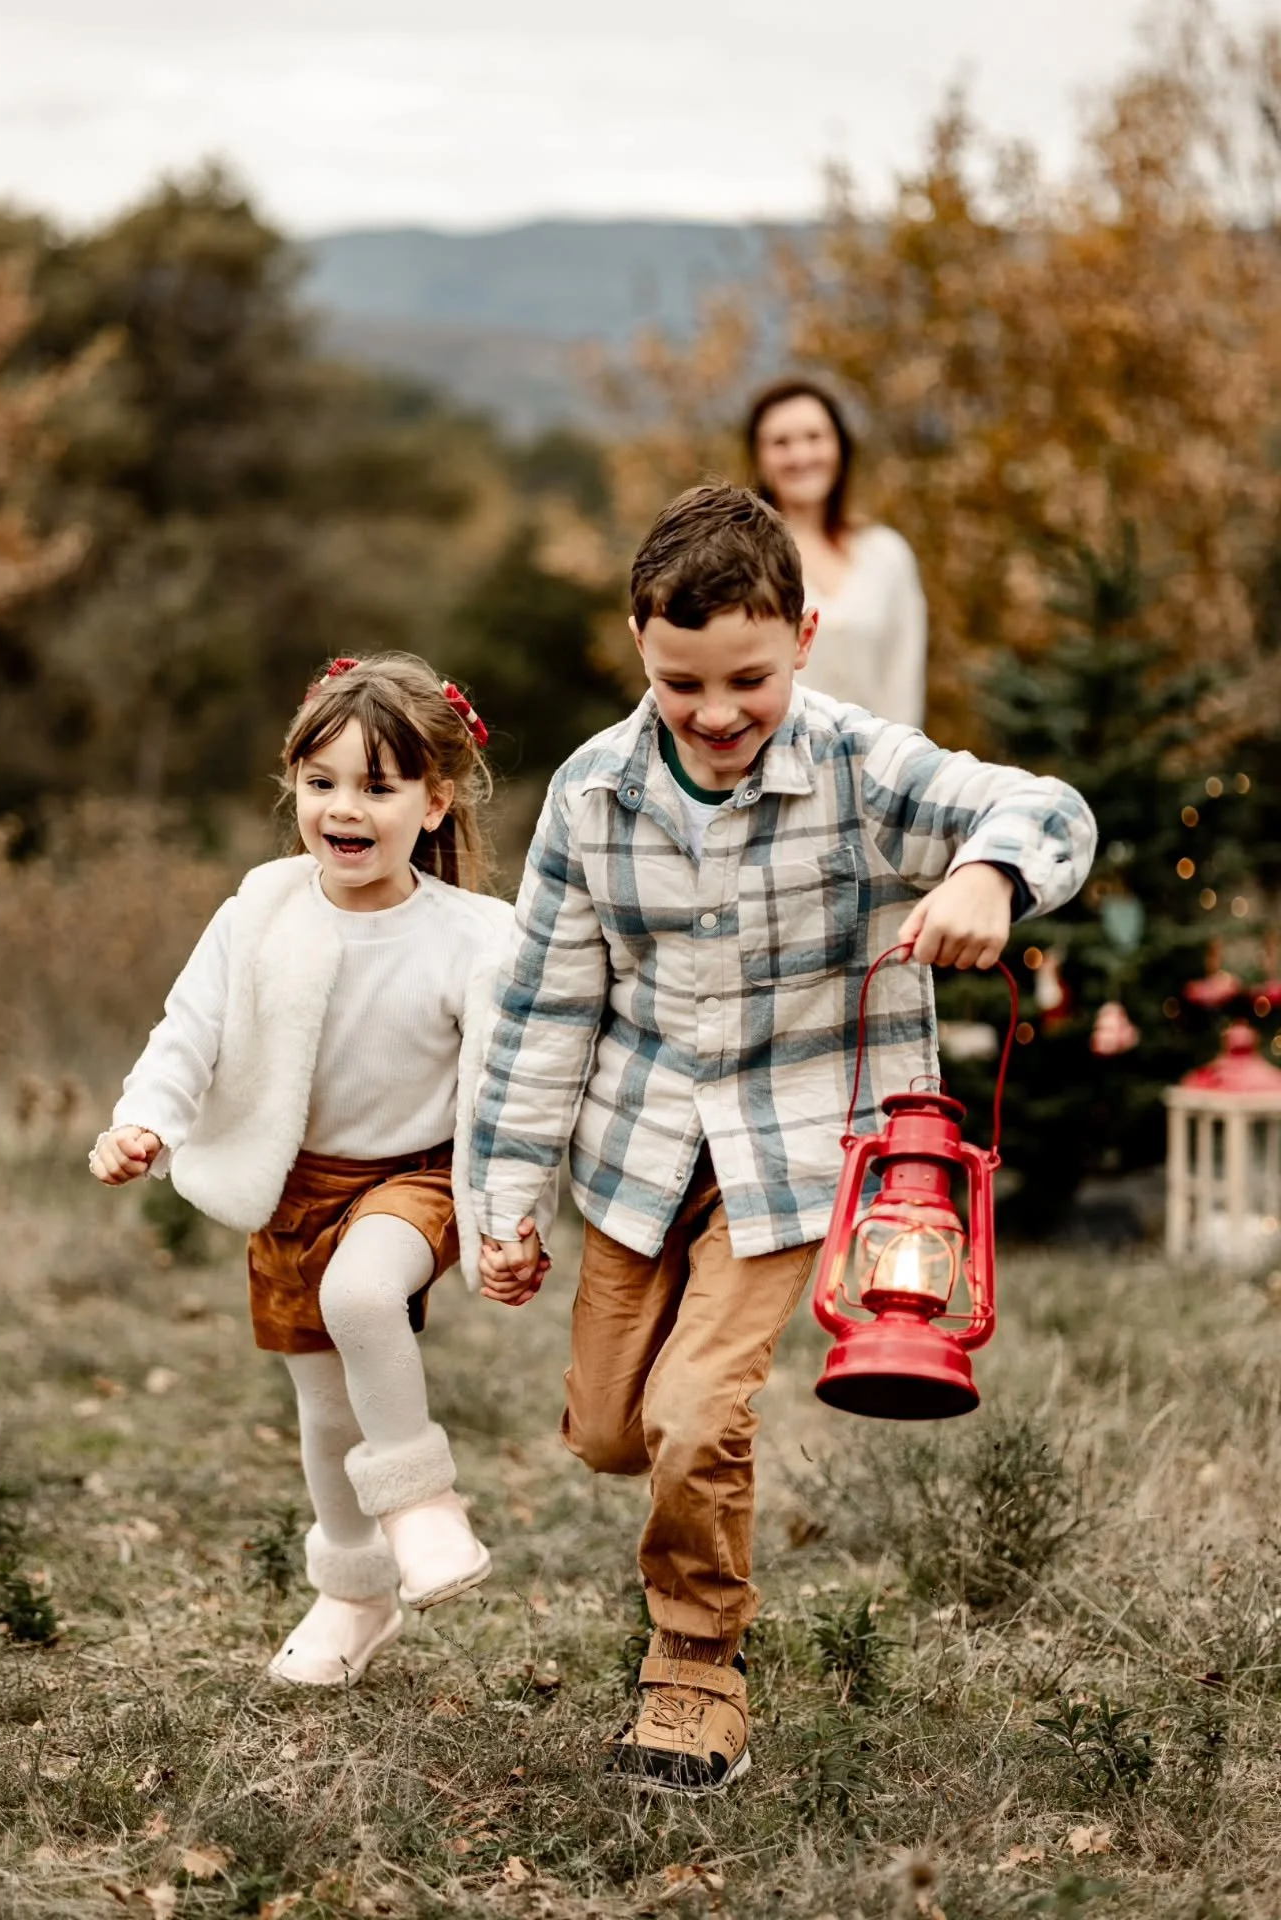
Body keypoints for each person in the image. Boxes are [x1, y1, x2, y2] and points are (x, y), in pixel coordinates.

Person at [470, 485, 1095, 1794]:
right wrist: (504, 1194)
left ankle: (695, 1667)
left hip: (799, 1156)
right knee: (611, 1432)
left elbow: (1046, 808)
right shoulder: (591, 795)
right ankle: (677, 1458)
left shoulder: (862, 767)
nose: (715, 713)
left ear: (804, 639)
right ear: (639, 644)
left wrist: (988, 873)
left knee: (698, 1414)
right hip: (639, 1155)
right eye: (681, 683)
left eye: (748, 679)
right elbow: (542, 1008)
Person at [89, 652, 529, 1690]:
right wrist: (142, 1121)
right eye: (321, 781)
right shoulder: (260, 913)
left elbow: (515, 1090)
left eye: (377, 786)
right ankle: (355, 1595)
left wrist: (511, 1216)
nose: (344, 808)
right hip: (293, 1188)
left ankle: (425, 1505)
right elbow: (188, 1031)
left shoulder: (477, 936)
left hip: (416, 1181)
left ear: (435, 800)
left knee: (363, 1295)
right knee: (327, 1417)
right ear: (293, 784)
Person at [746, 377, 927, 728]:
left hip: (876, 757)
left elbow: (904, 679)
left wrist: (898, 757)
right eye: (781, 442)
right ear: (759, 457)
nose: (801, 456)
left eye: (814, 437)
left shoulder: (887, 555)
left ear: (840, 447)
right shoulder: (743, 558)